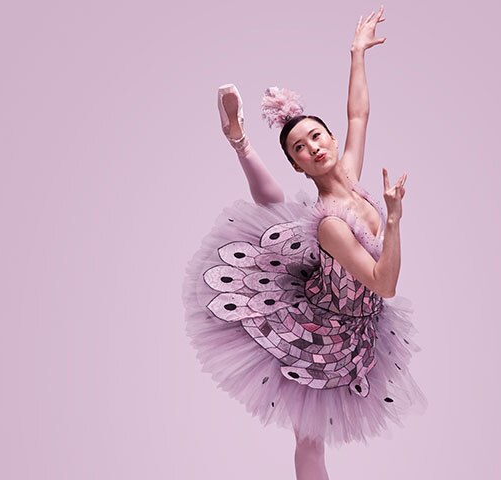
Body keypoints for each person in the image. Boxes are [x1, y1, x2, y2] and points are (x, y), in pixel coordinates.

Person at [181, 7, 424, 479]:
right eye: (300, 148)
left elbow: (358, 112)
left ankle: (239, 141)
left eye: (317, 136)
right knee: (309, 439)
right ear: (299, 166)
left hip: (360, 326)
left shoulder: (351, 176)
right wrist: (393, 221)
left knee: (276, 210)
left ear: (330, 139)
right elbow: (385, 282)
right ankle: (240, 141)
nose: (313, 147)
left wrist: (357, 53)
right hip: (319, 330)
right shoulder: (331, 224)